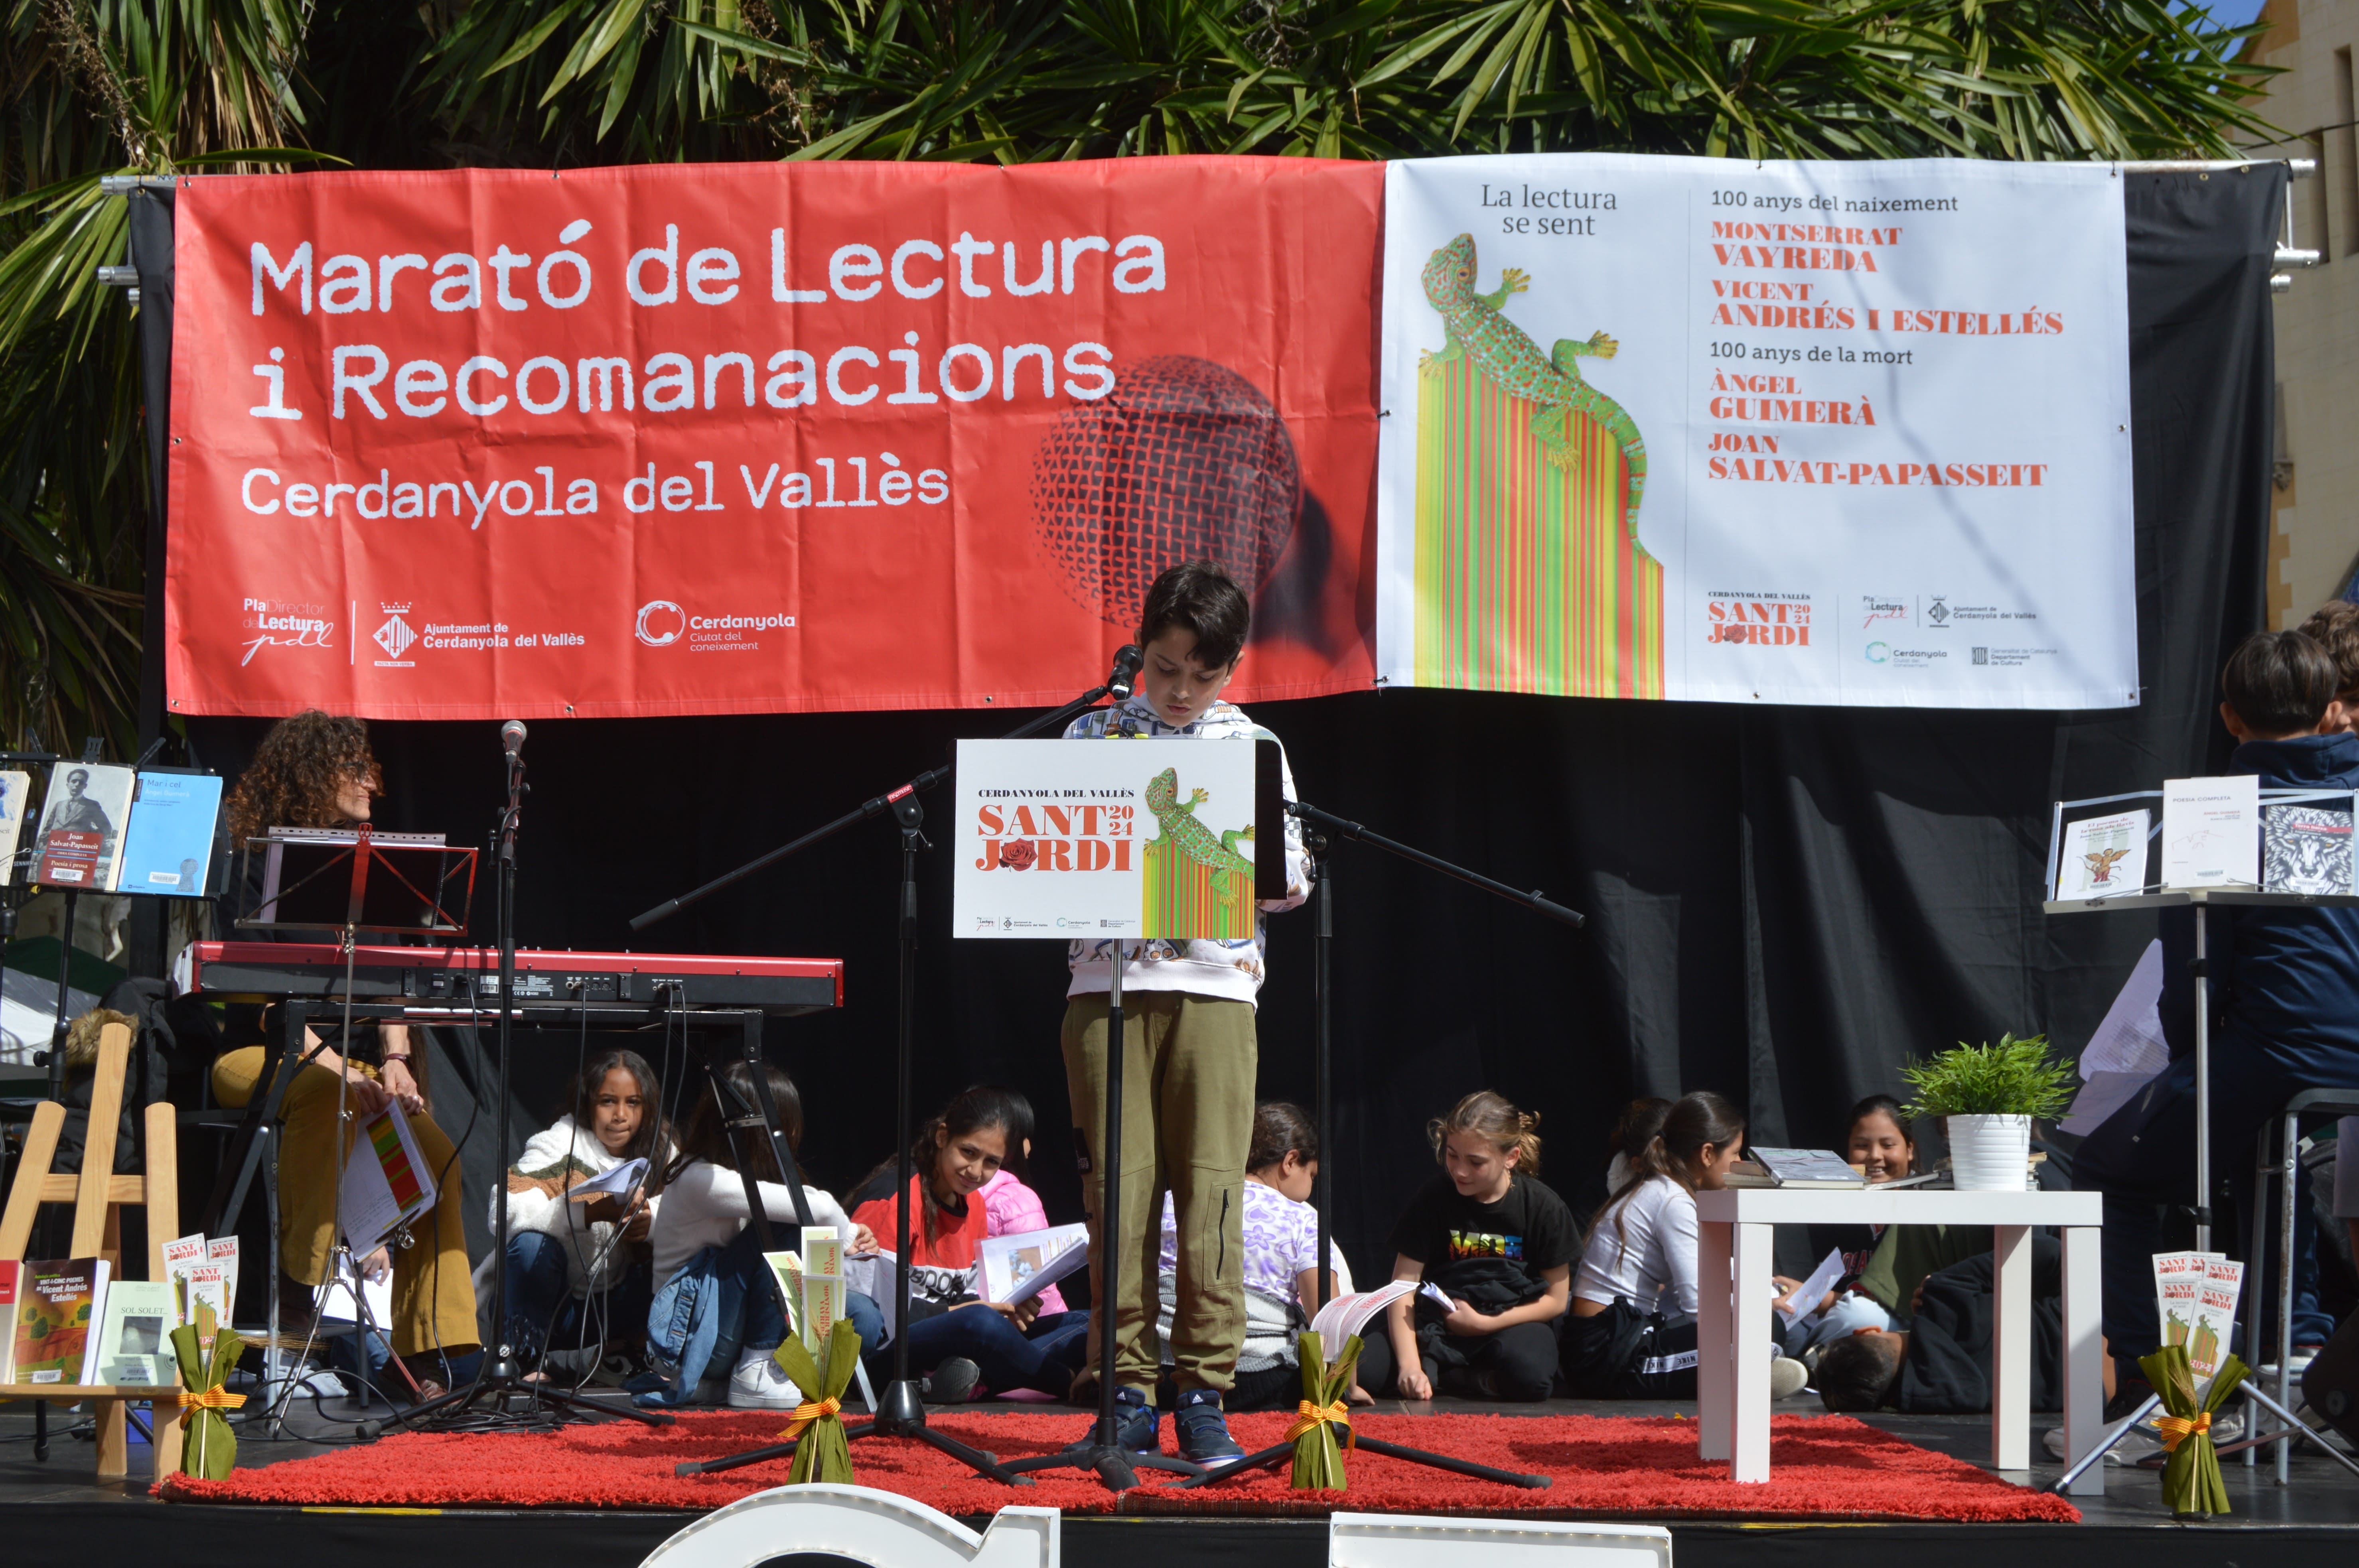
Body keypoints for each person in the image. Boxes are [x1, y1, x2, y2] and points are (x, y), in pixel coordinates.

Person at [1056, 560, 1311, 1461]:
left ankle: (1202, 1387)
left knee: (1208, 1193)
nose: (1179, 689)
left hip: (1213, 986)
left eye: (1202, 674)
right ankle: (1123, 1386)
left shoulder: (1252, 744)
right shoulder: (1091, 735)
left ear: (1230, 668)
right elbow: (1046, 859)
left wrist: (1262, 865)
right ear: (1138, 653)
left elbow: (1291, 883)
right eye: (1165, 668)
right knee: (1117, 1191)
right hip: (1106, 989)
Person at [2078, 629, 2359, 1384]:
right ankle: (2295, 1347)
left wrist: (2187, 1061)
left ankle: (2153, 1388)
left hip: (2279, 1047)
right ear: (2331, 709)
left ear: (2229, 718)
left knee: (2108, 1169)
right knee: (2266, 1150)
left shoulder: (2216, 812)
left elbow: (2193, 974)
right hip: (2334, 1055)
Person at [209, 711, 479, 1395]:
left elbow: (389, 980)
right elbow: (263, 1000)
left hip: (347, 1072)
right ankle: (301, 1287)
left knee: (436, 1153)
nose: (371, 783)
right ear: (312, 773)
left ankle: (437, 1348)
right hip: (261, 1057)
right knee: (328, 1094)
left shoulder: (370, 869)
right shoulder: (253, 860)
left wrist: (394, 1058)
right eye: (356, 768)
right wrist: (337, 1069)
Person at [635, 1061, 883, 1410]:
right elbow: (819, 1209)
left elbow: (817, 1218)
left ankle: (752, 1375)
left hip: (738, 1323)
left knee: (865, 1319)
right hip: (694, 1338)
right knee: (784, 1225)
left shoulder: (757, 1177)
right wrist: (850, 1232)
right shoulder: (701, 1179)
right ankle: (755, 1367)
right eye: (783, 1126)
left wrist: (840, 1240)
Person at [846, 1086, 1093, 1402]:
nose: (976, 1172)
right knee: (979, 1323)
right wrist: (968, 1311)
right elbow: (873, 1315)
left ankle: (976, 1379)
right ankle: (1066, 1383)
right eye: (969, 1152)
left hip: (954, 1340)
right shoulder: (898, 1199)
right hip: (889, 1352)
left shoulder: (974, 1203)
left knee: (1089, 1322)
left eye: (991, 1162)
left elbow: (963, 1292)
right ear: (942, 1137)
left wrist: (1008, 1307)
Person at [1562, 1091, 1807, 1399]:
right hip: (1607, 1355)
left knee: (1755, 1327)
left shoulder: (1662, 1188)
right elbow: (1700, 1308)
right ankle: (1748, 1377)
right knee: (1764, 1329)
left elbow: (1682, 1295)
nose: (1740, 1163)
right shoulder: (1673, 1200)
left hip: (1609, 1341)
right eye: (1735, 1154)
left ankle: (1745, 1372)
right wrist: (1751, 1311)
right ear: (1707, 1154)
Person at [1356, 1091, 1574, 1403]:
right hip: (1437, 1324)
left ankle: (1464, 1379)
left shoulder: (1543, 1206)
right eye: (1452, 1155)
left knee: (1531, 1377)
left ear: (1510, 1157)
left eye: (1476, 1162)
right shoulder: (1433, 1198)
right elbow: (1402, 1286)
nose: (1460, 1170)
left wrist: (1485, 1324)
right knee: (1364, 1370)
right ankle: (1437, 1372)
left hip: (1507, 1322)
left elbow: (1556, 1300)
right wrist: (1410, 1366)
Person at [1153, 1101, 1355, 1412]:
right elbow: (1328, 1323)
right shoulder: (1303, 1220)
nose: (1312, 1186)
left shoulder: (1175, 1200)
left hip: (1163, 1374)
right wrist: (1346, 1387)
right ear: (1290, 1162)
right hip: (1252, 1380)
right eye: (1312, 1174)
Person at [491, 1048, 670, 1378]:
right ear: (588, 1103)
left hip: (619, 1306)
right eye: (607, 1101)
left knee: (691, 1253)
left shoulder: (662, 1148)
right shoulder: (560, 1143)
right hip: (559, 1311)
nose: (620, 1115)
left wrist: (652, 1223)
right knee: (529, 1247)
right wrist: (590, 1212)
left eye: (633, 1102)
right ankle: (528, 1359)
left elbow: (693, 1210)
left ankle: (638, 1353)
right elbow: (508, 1209)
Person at [1816, 1238, 2119, 1415]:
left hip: (2105, 1401)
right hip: (2111, 1339)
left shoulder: (1930, 1406)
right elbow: (2055, 1252)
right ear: (1866, 1330)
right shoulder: (1941, 1296)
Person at [1781, 1095, 1917, 1355]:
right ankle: (1799, 1363)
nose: (1875, 1156)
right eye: (1862, 1145)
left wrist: (1816, 1299)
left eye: (1888, 1145)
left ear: (1910, 1149)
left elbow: (1900, 1304)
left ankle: (1809, 1362)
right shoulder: (1835, 1204)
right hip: (1829, 1323)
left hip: (1892, 1328)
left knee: (1859, 1314)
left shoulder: (1929, 1206)